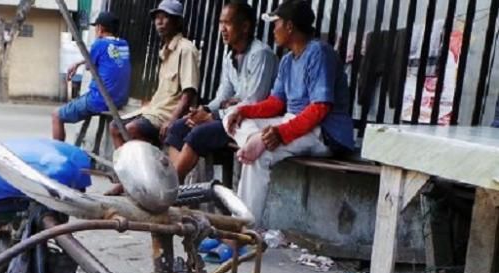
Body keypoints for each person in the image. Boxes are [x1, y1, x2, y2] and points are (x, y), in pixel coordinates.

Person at [223, 0, 355, 223]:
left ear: (290, 26)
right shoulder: (287, 61)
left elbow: (320, 108)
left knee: (260, 156)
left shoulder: (319, 53)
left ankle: (242, 231)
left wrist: (280, 133)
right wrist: (244, 111)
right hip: (294, 122)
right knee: (231, 117)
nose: (274, 30)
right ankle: (254, 140)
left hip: (324, 132)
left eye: (277, 24)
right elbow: (276, 103)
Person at [165, 0, 278, 182]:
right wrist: (205, 111)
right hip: (230, 117)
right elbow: (222, 96)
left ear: (245, 27)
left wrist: (214, 116)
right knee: (180, 126)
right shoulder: (229, 56)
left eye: (228, 23)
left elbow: (254, 101)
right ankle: (174, 184)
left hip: (249, 121)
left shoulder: (260, 54)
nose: (222, 29)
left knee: (198, 134)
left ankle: (170, 187)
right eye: (220, 23)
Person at [108, 0, 200, 150]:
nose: (160, 22)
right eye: (157, 17)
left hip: (167, 114)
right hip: (154, 111)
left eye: (165, 17)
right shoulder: (165, 51)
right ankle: (127, 171)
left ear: (177, 22)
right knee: (115, 127)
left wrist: (172, 120)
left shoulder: (186, 49)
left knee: (132, 129)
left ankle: (144, 169)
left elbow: (188, 93)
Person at [52, 12, 131, 141]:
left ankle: (58, 152)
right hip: (120, 100)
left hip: (100, 99)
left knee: (56, 115)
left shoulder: (99, 44)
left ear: (100, 28)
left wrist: (80, 63)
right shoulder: (124, 45)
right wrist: (78, 63)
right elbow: (108, 57)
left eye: (96, 28)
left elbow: (90, 67)